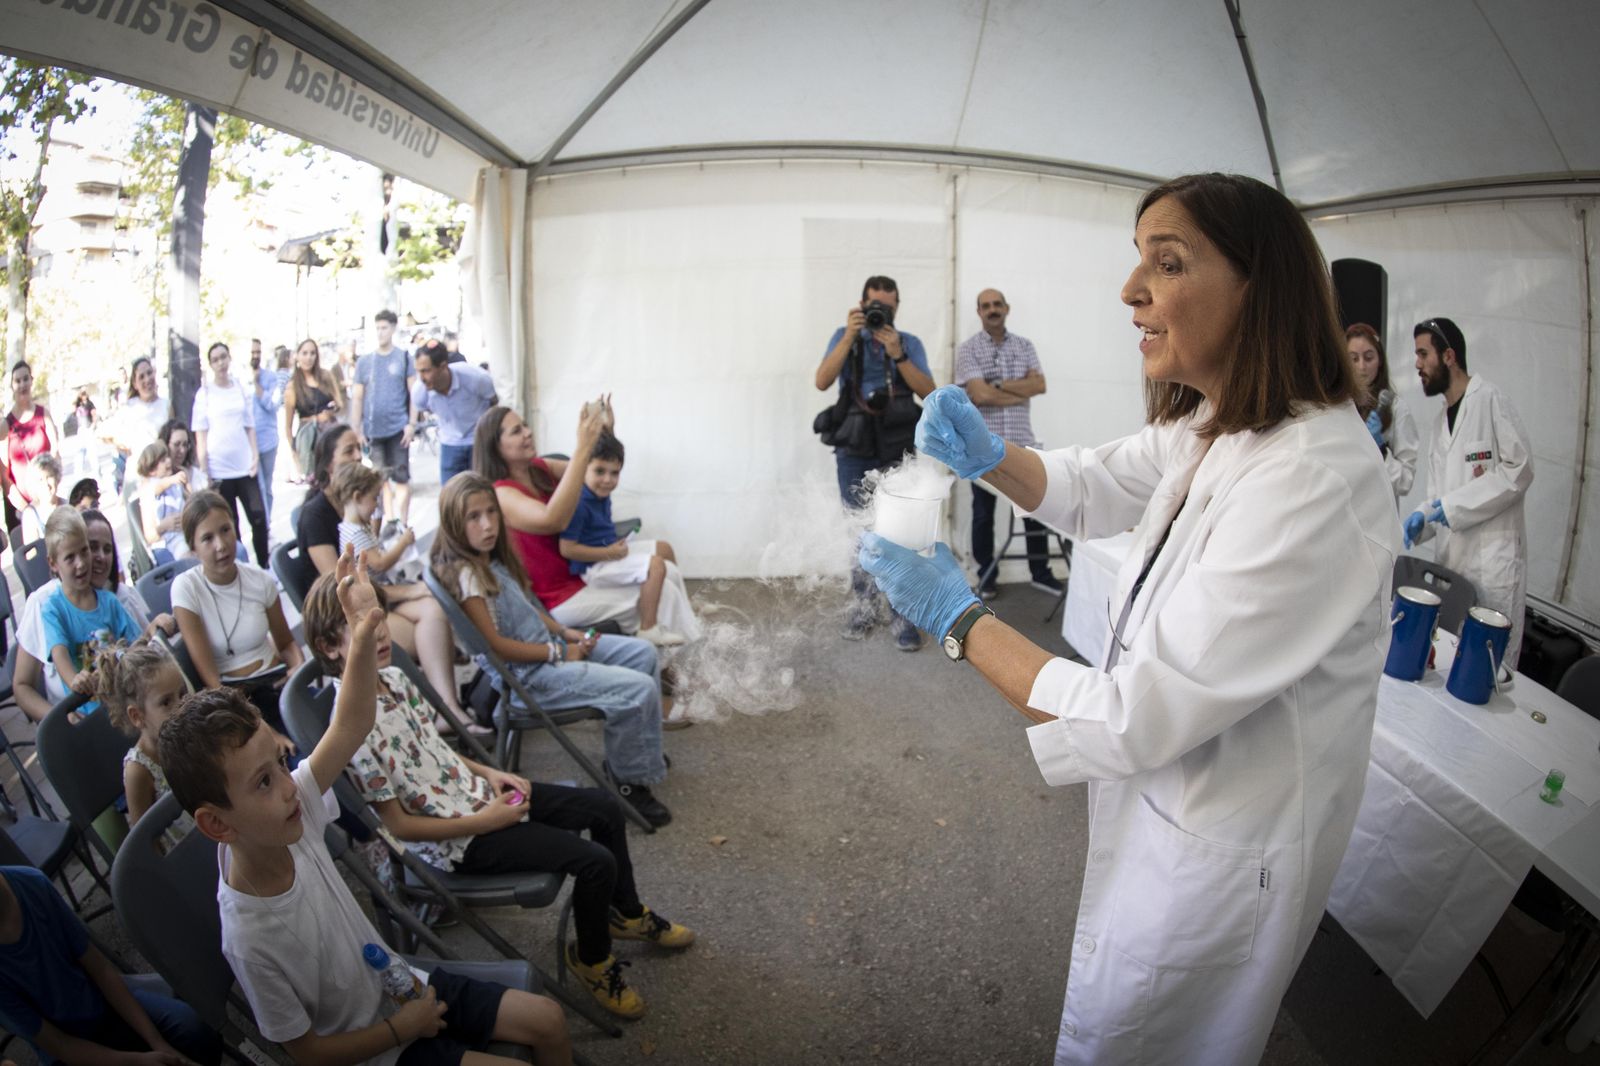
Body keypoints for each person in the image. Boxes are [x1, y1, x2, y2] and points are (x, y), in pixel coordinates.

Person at [862, 173, 1396, 1064]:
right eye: (1137, 261)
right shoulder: (1225, 423)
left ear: (1258, 286)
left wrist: (957, 616)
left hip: (1222, 849)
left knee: (1145, 1039)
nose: (1130, 291)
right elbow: (1095, 481)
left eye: (1168, 262)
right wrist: (994, 458)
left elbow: (1128, 714)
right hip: (1172, 807)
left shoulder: (1313, 475)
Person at [158, 567, 574, 1066]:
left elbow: (351, 721)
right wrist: (403, 1027)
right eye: (264, 782)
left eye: (280, 764)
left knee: (548, 1020)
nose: (291, 786)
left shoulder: (290, 812)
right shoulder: (250, 937)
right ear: (217, 824)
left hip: (399, 985)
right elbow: (309, 1054)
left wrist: (360, 633)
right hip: (376, 1049)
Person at [302, 568, 694, 1019]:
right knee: (594, 862)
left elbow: (433, 748)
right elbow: (398, 826)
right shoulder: (350, 729)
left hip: (475, 798)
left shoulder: (394, 679)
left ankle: (623, 913)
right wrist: (487, 821)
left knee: (606, 807)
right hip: (457, 841)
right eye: (360, 625)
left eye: (379, 615)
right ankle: (591, 960)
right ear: (331, 648)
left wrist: (489, 773)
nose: (381, 630)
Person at [432, 474, 673, 827]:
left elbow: (531, 612)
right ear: (454, 523)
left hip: (551, 651)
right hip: (532, 678)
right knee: (637, 690)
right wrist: (560, 654)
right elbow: (496, 647)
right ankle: (628, 784)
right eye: (473, 517)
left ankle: (632, 754)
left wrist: (568, 634)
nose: (487, 525)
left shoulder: (491, 561)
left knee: (643, 654)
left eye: (491, 513)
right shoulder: (468, 578)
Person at [298, 424, 473, 727]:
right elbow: (343, 587)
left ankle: (447, 707)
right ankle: (438, 710)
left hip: (375, 598)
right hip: (347, 617)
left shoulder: (355, 507)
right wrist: (408, 592)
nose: (358, 457)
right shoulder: (315, 516)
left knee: (434, 608)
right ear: (328, 463)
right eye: (348, 451)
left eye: (359, 449)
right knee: (431, 620)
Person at [813, 275, 936, 649]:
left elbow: (929, 392)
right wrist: (850, 337)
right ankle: (864, 606)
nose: (881, 312)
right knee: (859, 530)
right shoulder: (844, 336)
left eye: (888, 306)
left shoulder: (908, 343)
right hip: (854, 446)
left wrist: (898, 354)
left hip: (898, 444)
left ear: (897, 307)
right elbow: (821, 381)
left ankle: (902, 612)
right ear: (862, 305)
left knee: (901, 531)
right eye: (874, 306)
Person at [1406, 315, 1534, 668]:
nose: (1417, 365)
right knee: (1447, 660)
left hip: (1492, 563)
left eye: (1423, 354)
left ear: (1448, 356)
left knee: (1487, 668)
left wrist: (1453, 506)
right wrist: (1423, 517)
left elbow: (1520, 469)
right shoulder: (1438, 424)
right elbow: (1438, 496)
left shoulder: (1490, 400)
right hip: (1454, 564)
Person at [0, 864, 222, 1066]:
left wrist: (158, 1044)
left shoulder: (32, 883)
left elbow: (102, 971)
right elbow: (60, 1045)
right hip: (70, 1048)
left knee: (195, 1031)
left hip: (104, 1003)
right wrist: (136, 1060)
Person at [954, 288, 1060, 598]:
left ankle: (1040, 572)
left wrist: (996, 384)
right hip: (982, 447)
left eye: (997, 304)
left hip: (1024, 444)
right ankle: (986, 576)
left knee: (1035, 508)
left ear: (1007, 308)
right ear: (979, 312)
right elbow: (979, 394)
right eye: (986, 306)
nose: (992, 309)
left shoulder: (1024, 346)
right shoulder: (968, 350)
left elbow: (1039, 385)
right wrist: (1018, 390)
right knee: (983, 514)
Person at [171, 490, 304, 732]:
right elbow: (212, 681)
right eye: (207, 538)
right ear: (193, 547)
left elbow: (285, 643)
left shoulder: (259, 580)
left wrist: (297, 666)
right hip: (235, 703)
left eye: (225, 530)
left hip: (278, 683)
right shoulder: (186, 588)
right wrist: (263, 730)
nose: (221, 545)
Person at [558, 429, 701, 648]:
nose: (607, 480)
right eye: (600, 472)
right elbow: (567, 549)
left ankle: (686, 609)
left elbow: (605, 449)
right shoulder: (579, 502)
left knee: (663, 549)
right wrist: (609, 553)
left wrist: (606, 426)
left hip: (610, 551)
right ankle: (648, 629)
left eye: (614, 473)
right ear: (583, 468)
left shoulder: (598, 491)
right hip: (595, 566)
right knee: (656, 566)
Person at [39, 506, 164, 716]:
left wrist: (151, 632)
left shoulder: (108, 601)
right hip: (90, 713)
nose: (81, 563)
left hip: (125, 702)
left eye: (84, 551)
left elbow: (136, 643)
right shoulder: (53, 609)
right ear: (53, 563)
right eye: (70, 557)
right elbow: (58, 652)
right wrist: (74, 679)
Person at [97, 642, 194, 847]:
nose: (181, 706)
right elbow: (147, 841)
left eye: (182, 694)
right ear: (137, 716)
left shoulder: (190, 737)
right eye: (166, 702)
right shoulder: (139, 770)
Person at [193, 342, 270, 566]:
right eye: (215, 359)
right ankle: (240, 569)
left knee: (258, 518)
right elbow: (201, 436)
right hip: (220, 470)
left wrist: (255, 456)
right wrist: (205, 470)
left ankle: (265, 565)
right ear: (210, 364)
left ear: (229, 358)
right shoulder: (205, 394)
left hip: (245, 467)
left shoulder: (239, 388)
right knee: (229, 524)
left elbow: (249, 425)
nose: (220, 363)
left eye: (223, 357)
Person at [351, 309, 415, 533]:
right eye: (377, 328)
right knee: (381, 480)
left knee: (401, 477)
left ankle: (403, 524)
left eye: (384, 327)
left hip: (398, 427)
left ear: (393, 328)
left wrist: (412, 423)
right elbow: (357, 397)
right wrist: (356, 429)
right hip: (373, 430)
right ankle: (390, 520)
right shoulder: (365, 362)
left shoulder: (404, 358)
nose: (380, 332)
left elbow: (413, 392)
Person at [1346, 322, 1419, 507]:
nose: (1361, 366)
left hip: (1379, 516)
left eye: (1368, 357)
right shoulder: (1337, 407)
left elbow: (1405, 481)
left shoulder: (1396, 408)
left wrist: (1380, 450)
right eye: (1353, 359)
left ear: (1380, 361)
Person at [412, 339, 497, 484]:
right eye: (418, 371)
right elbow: (423, 408)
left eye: (426, 371)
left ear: (443, 367)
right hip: (449, 443)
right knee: (450, 495)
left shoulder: (474, 377)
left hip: (479, 440)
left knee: (485, 488)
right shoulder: (420, 392)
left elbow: (494, 401)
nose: (422, 378)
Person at [82, 507, 171, 633]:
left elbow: (145, 644)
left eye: (107, 549)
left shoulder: (124, 597)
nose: (101, 557)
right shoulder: (57, 606)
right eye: (93, 547)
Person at [2, 360, 60, 535]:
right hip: (21, 508)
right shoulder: (6, 425)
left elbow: (56, 455)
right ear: (12, 386)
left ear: (31, 380)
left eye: (25, 379)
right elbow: (4, 477)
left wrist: (48, 498)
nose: (22, 385)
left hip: (48, 503)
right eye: (17, 381)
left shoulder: (44, 415)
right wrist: (27, 509)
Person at [281, 338, 345, 483]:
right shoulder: (292, 387)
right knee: (316, 482)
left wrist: (331, 410)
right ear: (297, 356)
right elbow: (288, 426)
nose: (308, 357)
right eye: (304, 353)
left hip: (330, 433)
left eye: (312, 353)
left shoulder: (326, 376)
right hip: (309, 439)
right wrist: (295, 454)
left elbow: (339, 403)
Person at [102, 357, 170, 493]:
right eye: (141, 376)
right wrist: (125, 444)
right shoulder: (129, 408)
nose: (147, 379)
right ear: (135, 383)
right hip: (137, 475)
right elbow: (104, 434)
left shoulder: (166, 405)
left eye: (149, 373)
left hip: (161, 474)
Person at [249, 338, 285, 521]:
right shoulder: (237, 380)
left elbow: (272, 404)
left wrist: (257, 385)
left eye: (258, 352)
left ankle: (267, 523)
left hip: (267, 440)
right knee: (256, 488)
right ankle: (261, 524)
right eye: (252, 352)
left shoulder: (270, 378)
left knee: (267, 486)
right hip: (247, 444)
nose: (255, 356)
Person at [138, 441, 191, 563]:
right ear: (152, 470)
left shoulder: (174, 485)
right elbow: (157, 486)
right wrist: (163, 526)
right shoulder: (150, 487)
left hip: (184, 533)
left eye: (167, 457)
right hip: (167, 542)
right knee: (186, 554)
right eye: (162, 460)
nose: (168, 461)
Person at [17, 453, 64, 543]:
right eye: (40, 480)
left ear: (57, 477)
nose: (46, 485)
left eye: (49, 477)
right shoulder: (30, 515)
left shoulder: (67, 504)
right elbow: (32, 555)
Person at [160, 420, 209, 493]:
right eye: (177, 444)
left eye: (185, 445)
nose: (182, 450)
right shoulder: (155, 477)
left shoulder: (198, 477)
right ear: (165, 444)